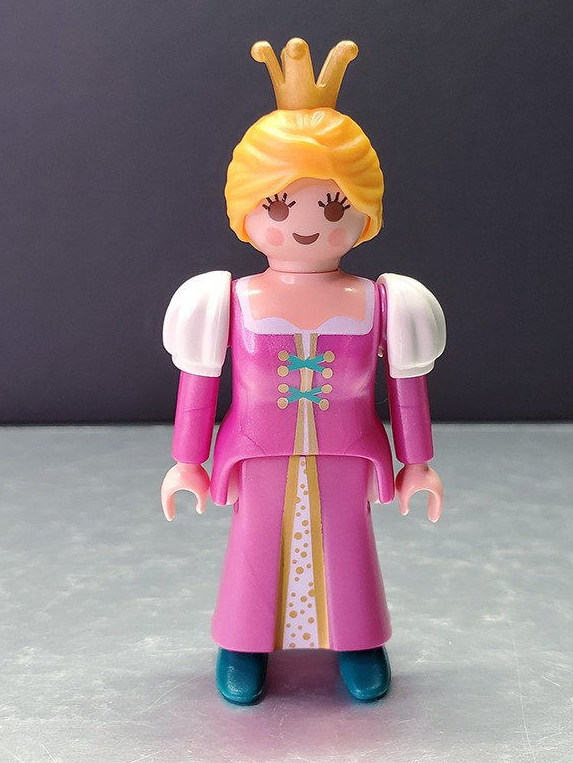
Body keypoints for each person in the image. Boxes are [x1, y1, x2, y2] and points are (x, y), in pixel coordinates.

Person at [161, 38, 446, 704]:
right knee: (256, 547)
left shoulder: (383, 300)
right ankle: (243, 644)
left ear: (364, 212)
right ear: (247, 209)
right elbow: (198, 385)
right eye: (282, 206)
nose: (308, 226)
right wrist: (186, 460)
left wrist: (418, 463)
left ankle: (359, 642)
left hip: (348, 451)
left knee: (347, 548)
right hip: (256, 451)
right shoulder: (227, 299)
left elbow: (407, 387)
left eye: (334, 207)